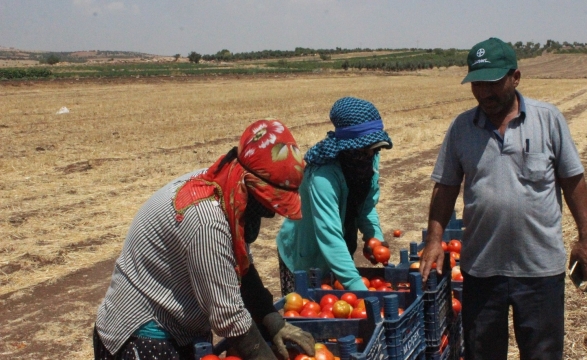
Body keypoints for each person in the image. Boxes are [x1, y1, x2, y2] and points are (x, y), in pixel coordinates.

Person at [418, 38, 587, 360]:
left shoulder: (548, 119)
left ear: (515, 77)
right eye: (477, 84)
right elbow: (445, 188)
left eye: (493, 83)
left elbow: (573, 181)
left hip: (540, 268)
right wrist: (434, 239)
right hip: (483, 268)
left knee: (542, 354)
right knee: (483, 352)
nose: (484, 93)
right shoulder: (462, 127)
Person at [94, 120, 315, 360]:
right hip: (145, 335)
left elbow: (240, 271)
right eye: (268, 202)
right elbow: (228, 316)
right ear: (248, 185)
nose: (271, 213)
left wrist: (275, 323)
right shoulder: (206, 219)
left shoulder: (228, 188)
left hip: (180, 327)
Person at [276, 97, 393, 294]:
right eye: (366, 150)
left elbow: (365, 207)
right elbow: (329, 235)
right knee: (307, 316)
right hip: (305, 259)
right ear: (349, 147)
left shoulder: (366, 161)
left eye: (375, 149)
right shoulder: (323, 176)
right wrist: (362, 291)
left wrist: (374, 238)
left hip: (338, 257)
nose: (372, 156)